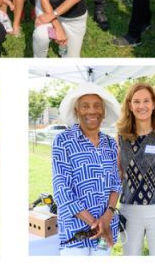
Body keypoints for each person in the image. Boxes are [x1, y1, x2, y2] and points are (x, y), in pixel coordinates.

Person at [52, 82, 122, 256]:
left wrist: (106, 218)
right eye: (85, 106)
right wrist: (95, 224)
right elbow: (62, 190)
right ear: (77, 111)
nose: (92, 111)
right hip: (75, 232)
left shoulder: (110, 143)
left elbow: (116, 183)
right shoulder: (63, 141)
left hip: (105, 231)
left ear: (103, 112)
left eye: (97, 106)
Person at [116, 83, 155, 256]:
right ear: (130, 105)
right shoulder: (121, 137)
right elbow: (119, 175)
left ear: (153, 104)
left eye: (146, 101)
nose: (141, 106)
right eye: (136, 101)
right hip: (129, 210)